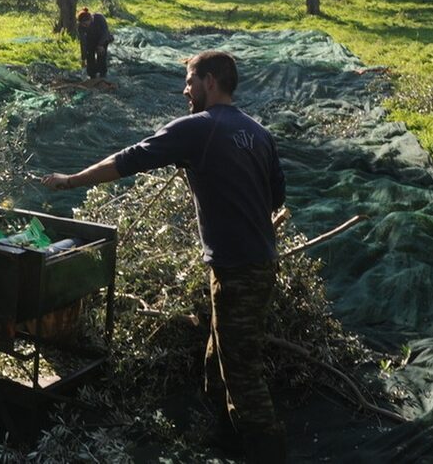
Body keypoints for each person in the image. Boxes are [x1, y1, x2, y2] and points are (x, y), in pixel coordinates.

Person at [42, 50, 287, 463]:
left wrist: (72, 180)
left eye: (190, 81)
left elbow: (129, 159)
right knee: (218, 354)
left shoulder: (198, 128)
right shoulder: (258, 133)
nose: (184, 89)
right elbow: (276, 196)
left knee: (242, 372)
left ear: (210, 81)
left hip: (239, 269)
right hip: (253, 262)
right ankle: (226, 439)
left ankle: (268, 453)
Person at [76, 7, 114, 79]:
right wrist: (83, 58)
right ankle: (92, 75)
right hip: (90, 40)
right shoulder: (80, 27)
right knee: (89, 56)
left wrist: (100, 45)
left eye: (85, 24)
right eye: (83, 24)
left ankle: (103, 74)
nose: (85, 26)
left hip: (103, 39)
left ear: (90, 19)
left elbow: (105, 33)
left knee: (101, 55)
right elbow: (83, 42)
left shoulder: (99, 18)